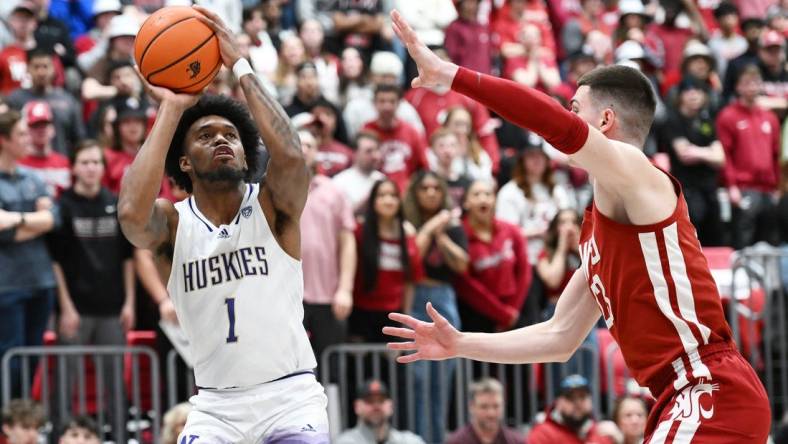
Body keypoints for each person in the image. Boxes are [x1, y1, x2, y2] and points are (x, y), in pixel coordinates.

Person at [383, 11, 771, 442]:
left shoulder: (637, 173)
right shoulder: (601, 232)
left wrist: (450, 74)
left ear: (604, 121)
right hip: (680, 394)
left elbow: (551, 124)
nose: (567, 117)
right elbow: (559, 336)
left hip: (707, 387)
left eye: (575, 108)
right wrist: (460, 344)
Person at [117, 6, 328, 442]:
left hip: (289, 397)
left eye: (231, 135)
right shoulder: (173, 226)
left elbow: (290, 158)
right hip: (216, 407)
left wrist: (241, 66)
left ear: (247, 153)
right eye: (206, 135)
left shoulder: (273, 208)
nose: (220, 139)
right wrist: (173, 108)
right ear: (184, 162)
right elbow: (130, 218)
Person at [49, 140, 134, 435]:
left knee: (115, 382)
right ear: (73, 168)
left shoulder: (114, 202)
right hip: (76, 310)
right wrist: (66, 308)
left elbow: (128, 258)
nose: (90, 168)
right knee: (65, 380)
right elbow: (55, 261)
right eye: (84, 162)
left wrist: (130, 303)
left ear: (103, 167)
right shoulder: (63, 206)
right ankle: (61, 435)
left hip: (112, 307)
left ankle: (122, 436)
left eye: (96, 162)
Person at [403, 170, 468, 443]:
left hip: (444, 297)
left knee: (442, 381)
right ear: (415, 194)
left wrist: (441, 237)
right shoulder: (407, 224)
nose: (430, 193)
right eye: (424, 188)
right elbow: (413, 256)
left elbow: (462, 264)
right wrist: (431, 228)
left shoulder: (453, 227)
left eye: (435, 188)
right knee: (418, 381)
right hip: (416, 294)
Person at [0, 110, 58, 401]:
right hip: (7, 285)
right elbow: (1, 231)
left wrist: (16, 220)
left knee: (32, 360)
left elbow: (54, 219)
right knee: (9, 362)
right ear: (4, 140)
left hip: (41, 281)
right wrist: (35, 218)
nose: (27, 140)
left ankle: (24, 426)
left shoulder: (33, 178)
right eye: (21, 134)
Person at [298, 129, 357, 368]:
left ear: (317, 152)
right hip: (288, 297)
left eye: (309, 145)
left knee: (331, 370)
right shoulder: (273, 191)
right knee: (291, 369)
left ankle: (332, 408)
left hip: (328, 296)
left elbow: (348, 242)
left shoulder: (334, 191)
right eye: (297, 143)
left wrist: (345, 289)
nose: (303, 149)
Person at [350, 179, 423, 343]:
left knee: (392, 364)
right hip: (361, 311)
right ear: (373, 200)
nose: (388, 200)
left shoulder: (408, 233)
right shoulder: (359, 230)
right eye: (382, 195)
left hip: (393, 312)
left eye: (393, 195)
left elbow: (410, 280)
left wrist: (406, 317)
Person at [716, 65, 781, 248]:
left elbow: (775, 154)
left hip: (768, 189)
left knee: (769, 241)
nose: (752, 86)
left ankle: (768, 277)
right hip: (744, 188)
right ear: (738, 87)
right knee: (744, 240)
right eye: (747, 82)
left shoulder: (770, 118)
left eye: (756, 82)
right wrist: (731, 186)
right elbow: (725, 155)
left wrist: (777, 186)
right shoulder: (728, 116)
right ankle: (742, 276)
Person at [456, 179, 531, 333]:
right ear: (466, 203)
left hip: (514, 311)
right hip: (476, 315)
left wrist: (512, 311)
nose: (483, 198)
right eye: (476, 194)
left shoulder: (511, 230)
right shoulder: (460, 235)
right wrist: (502, 314)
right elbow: (465, 284)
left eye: (488, 194)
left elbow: (524, 272)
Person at [661, 77, 725, 246]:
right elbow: (685, 155)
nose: (694, 95)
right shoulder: (673, 120)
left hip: (709, 187)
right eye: (689, 91)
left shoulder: (707, 121)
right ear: (680, 95)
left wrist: (698, 151)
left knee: (715, 232)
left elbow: (720, 158)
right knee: (693, 234)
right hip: (687, 187)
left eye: (698, 91)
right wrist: (708, 152)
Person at [362, 84, 429, 193]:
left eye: (392, 101)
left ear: (399, 104)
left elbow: (423, 168)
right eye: (382, 101)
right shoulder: (366, 130)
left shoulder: (411, 132)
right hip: (374, 193)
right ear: (374, 103)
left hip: (406, 194)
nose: (387, 106)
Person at [527, 374, 619, 444]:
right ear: (558, 402)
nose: (577, 403)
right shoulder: (542, 434)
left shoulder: (601, 432)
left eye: (582, 397)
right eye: (570, 398)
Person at [335, 379, 425, 444]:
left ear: (391, 406)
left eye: (381, 401)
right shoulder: (345, 441)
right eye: (369, 401)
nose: (376, 406)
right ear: (357, 407)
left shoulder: (410, 440)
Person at [445, 378, 525, 444]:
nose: (491, 413)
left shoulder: (516, 441)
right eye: (484, 407)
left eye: (496, 406)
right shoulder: (457, 441)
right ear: (471, 407)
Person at [17, 100, 71, 197]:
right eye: (35, 125)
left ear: (52, 128)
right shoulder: (18, 164)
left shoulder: (65, 163)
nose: (41, 129)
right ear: (26, 130)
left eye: (45, 124)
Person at [332, 130, 386, 216]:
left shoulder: (382, 179)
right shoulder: (339, 182)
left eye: (377, 150)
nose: (375, 156)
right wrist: (368, 199)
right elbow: (338, 216)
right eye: (369, 151)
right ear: (355, 153)